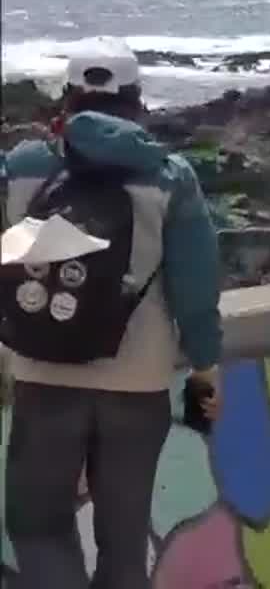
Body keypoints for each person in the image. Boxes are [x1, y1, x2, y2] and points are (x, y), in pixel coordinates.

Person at [2, 39, 224, 589]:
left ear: (68, 97)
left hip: (44, 372)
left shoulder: (25, 167)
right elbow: (196, 284)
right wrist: (205, 366)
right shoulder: (169, 176)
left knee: (37, 528)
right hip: (138, 379)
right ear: (137, 99)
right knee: (123, 542)